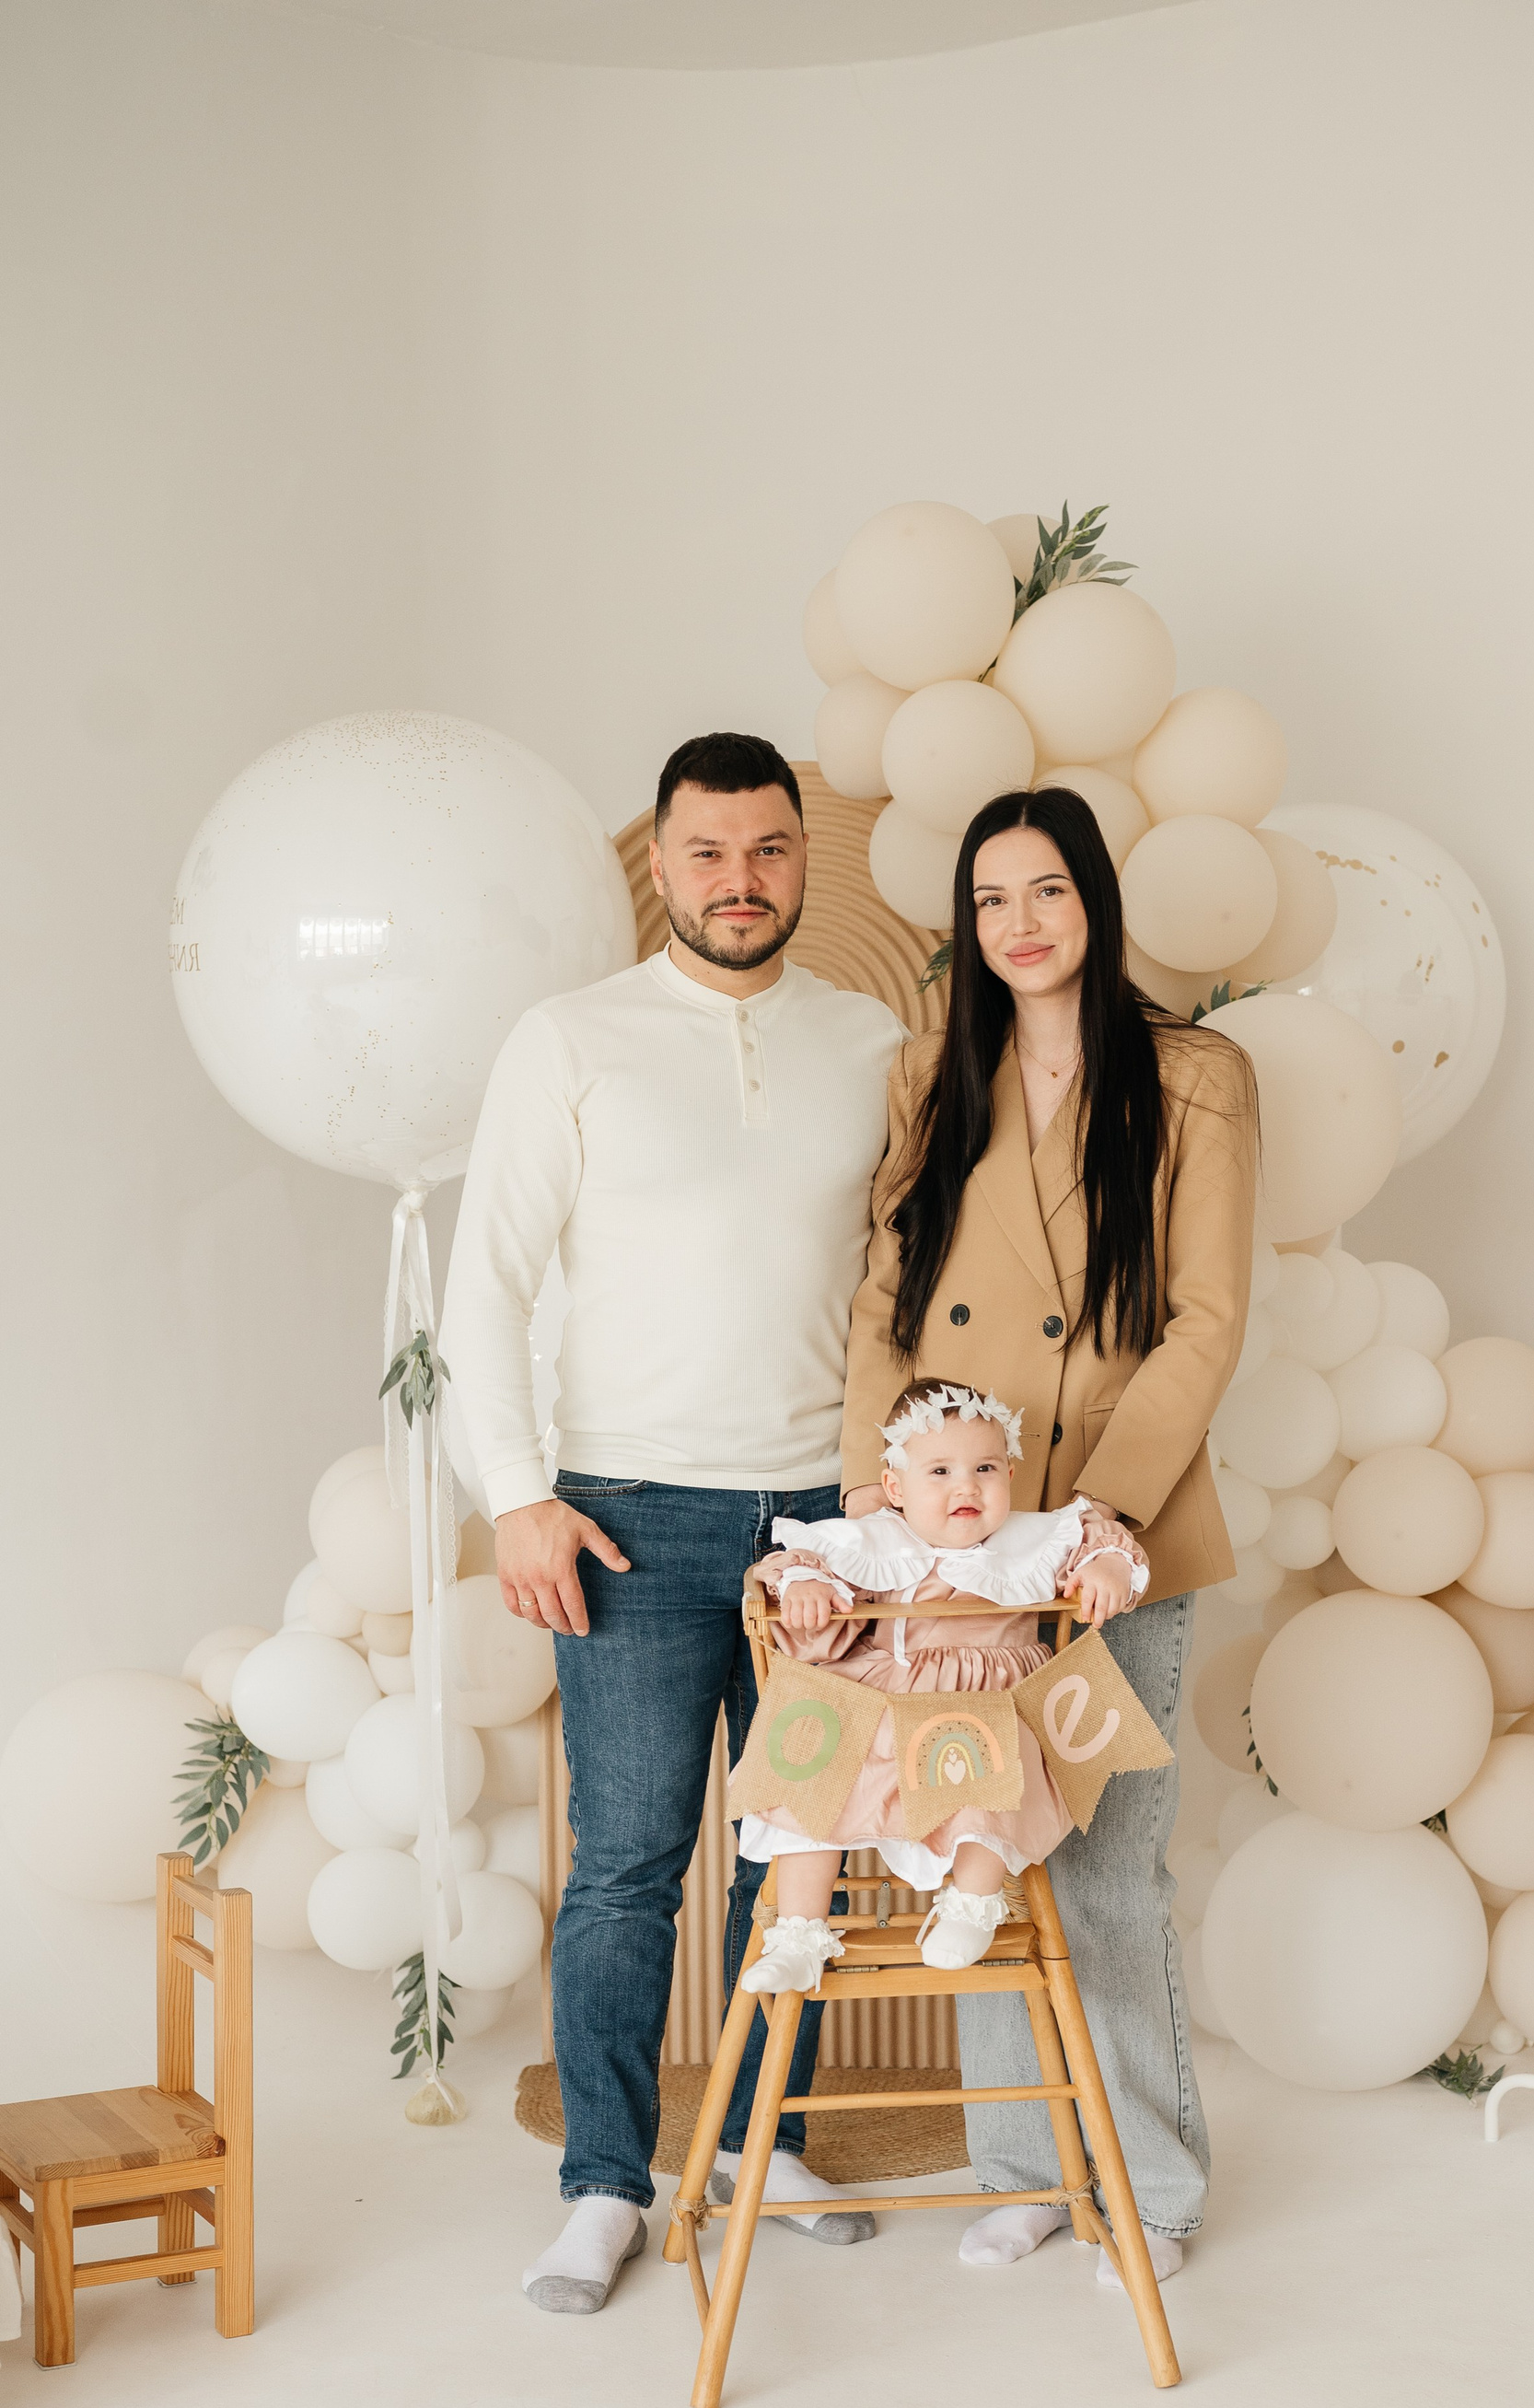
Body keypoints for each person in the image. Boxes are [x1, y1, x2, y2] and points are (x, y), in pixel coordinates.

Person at [446, 731, 904, 2314]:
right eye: (707, 851)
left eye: (768, 848)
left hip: (827, 1528)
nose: (739, 879)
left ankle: (763, 2144)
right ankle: (605, 2183)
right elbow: (484, 1287)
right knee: (629, 1864)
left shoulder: (874, 1041)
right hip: (627, 1516)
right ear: (661, 863)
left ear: (803, 857)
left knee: (799, 1860)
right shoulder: (569, 1040)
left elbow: (914, 1276)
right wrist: (518, 1497)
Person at [838, 785, 1257, 2290]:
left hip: (1106, 1537)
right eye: (990, 898)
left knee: (1109, 1867)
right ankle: (1024, 2162)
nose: (1018, 924)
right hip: (959, 1533)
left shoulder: (1195, 1075)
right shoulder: (931, 1074)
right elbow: (885, 1300)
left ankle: (1148, 2185)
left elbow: (1205, 1319)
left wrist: (1102, 1517)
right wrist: (878, 1498)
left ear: (1095, 899)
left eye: (1047, 890)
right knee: (981, 1846)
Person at [736, 1376, 1146, 1988]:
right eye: (940, 1472)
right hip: (886, 1699)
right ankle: (798, 1933)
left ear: (1009, 1474)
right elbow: (801, 1562)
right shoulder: (879, 1539)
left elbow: (1096, 1540)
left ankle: (972, 1903)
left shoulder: (1031, 1539)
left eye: (985, 1468)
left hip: (991, 1704)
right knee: (811, 1752)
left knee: (995, 1749)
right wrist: (807, 1585)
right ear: (896, 1488)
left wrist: (1108, 1565)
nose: (966, 1486)